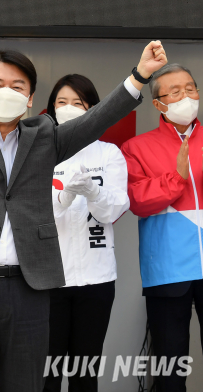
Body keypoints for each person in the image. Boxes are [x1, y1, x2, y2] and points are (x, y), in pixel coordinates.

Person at [0, 40, 166, 392]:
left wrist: (140, 74)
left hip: (29, 289)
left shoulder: (45, 136)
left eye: (17, 86)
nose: (6, 92)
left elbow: (99, 118)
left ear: (31, 98)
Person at [43, 74, 130, 392]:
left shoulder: (109, 155)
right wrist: (63, 196)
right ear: (51, 109)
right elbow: (32, 217)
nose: (69, 109)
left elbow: (113, 211)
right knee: (47, 374)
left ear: (93, 108)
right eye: (61, 102)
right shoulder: (41, 152)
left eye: (78, 103)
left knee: (84, 374)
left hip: (96, 282)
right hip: (49, 282)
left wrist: (92, 191)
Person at [121, 63, 203, 391]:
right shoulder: (137, 148)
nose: (186, 96)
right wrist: (177, 179)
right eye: (175, 91)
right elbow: (137, 201)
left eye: (191, 88)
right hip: (168, 271)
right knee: (170, 368)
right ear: (158, 104)